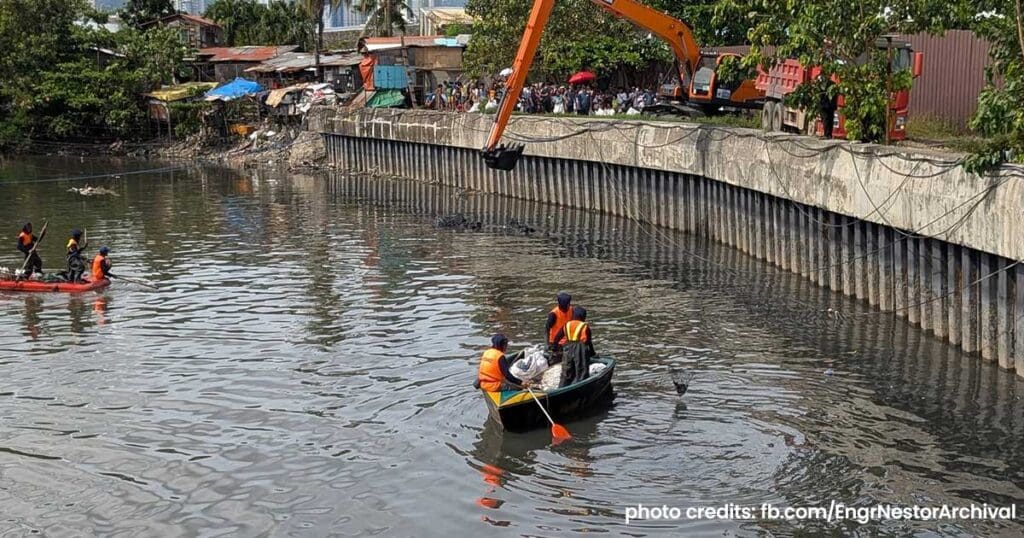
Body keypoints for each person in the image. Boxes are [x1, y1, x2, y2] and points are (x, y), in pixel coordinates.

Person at [555, 306, 595, 387]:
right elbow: (588, 342)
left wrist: (557, 348)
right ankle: (580, 388)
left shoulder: (566, 325)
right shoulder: (584, 326)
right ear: (583, 316)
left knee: (566, 372)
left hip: (567, 348)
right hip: (580, 349)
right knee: (581, 371)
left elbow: (557, 338)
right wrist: (592, 353)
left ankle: (562, 388)